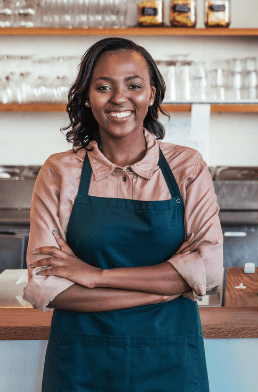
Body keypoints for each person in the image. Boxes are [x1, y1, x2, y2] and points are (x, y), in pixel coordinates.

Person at [23, 37, 223, 392]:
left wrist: (94, 275)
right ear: (86, 96)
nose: (119, 98)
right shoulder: (59, 172)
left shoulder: (186, 167)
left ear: (152, 94)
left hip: (170, 361)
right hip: (82, 364)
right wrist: (171, 286)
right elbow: (48, 289)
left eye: (134, 85)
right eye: (103, 87)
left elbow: (208, 271)